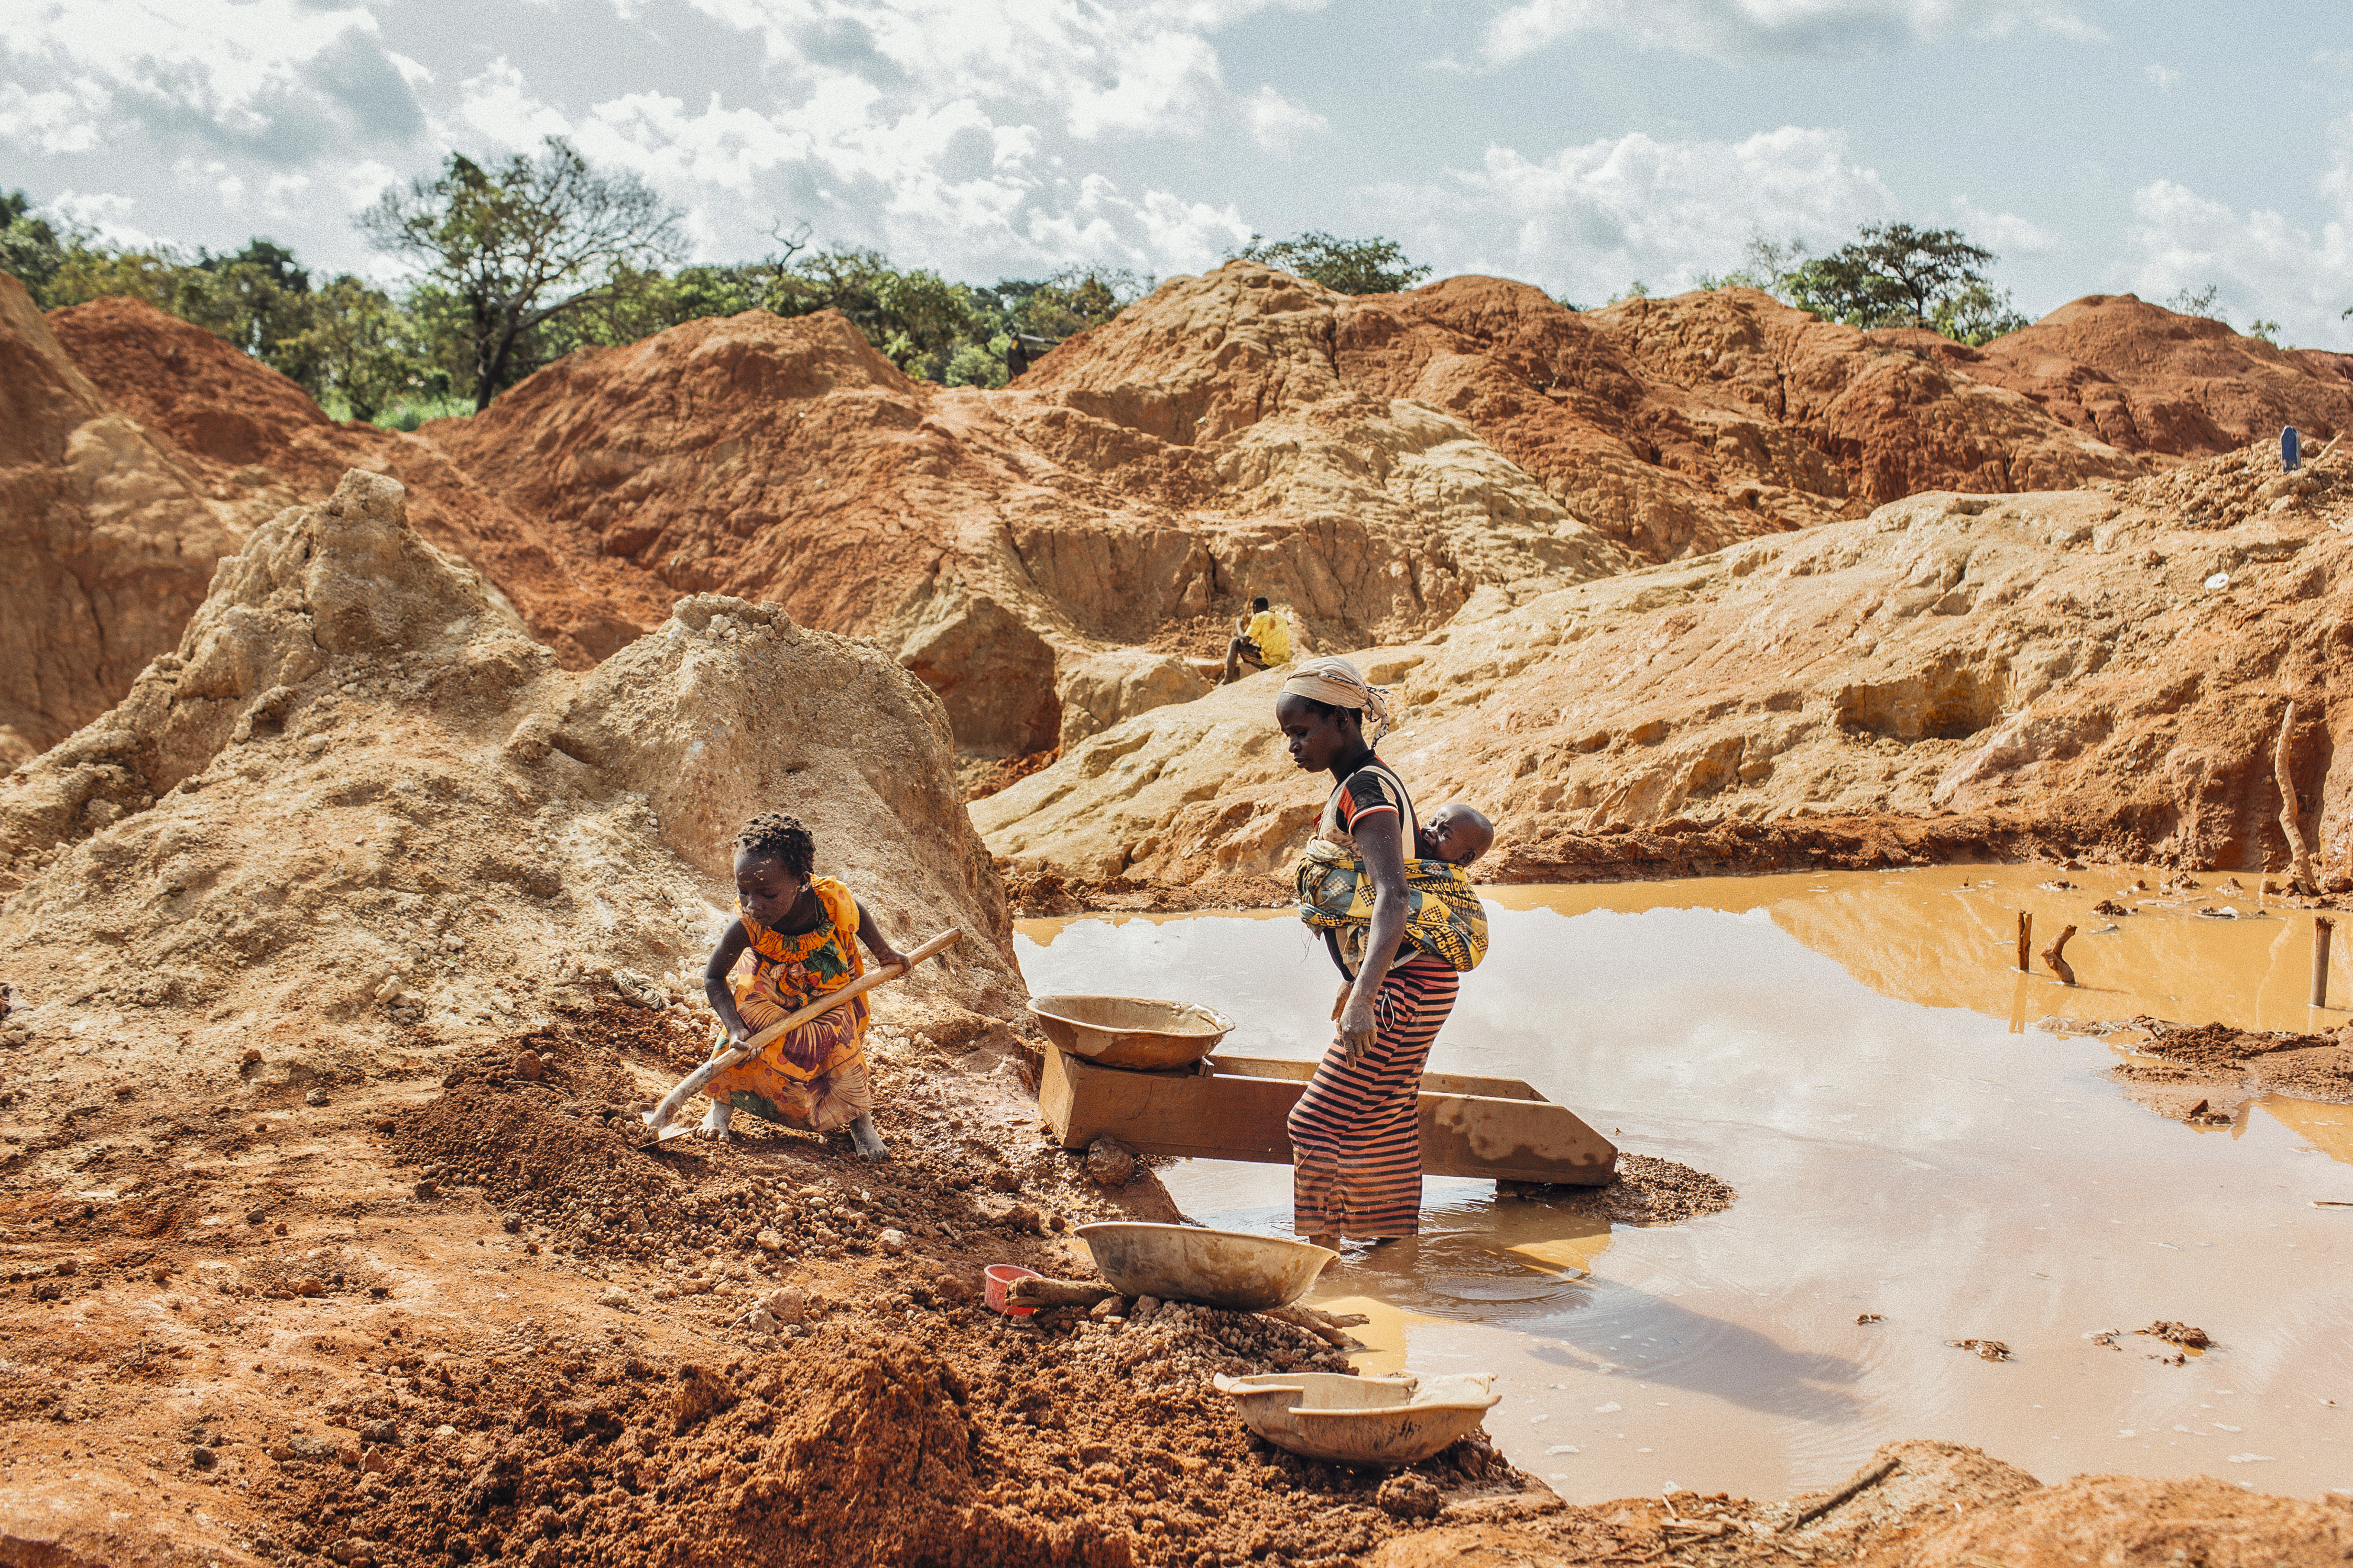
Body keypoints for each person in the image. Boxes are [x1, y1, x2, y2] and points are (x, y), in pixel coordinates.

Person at [1276, 657, 1468, 1249]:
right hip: (1417, 979)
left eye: (1303, 731)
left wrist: (1365, 997)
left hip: (1402, 987)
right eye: (1287, 735)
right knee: (1382, 1118)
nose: (1293, 746)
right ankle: (1393, 1258)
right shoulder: (1369, 780)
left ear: (1341, 719)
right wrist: (1359, 977)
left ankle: (1318, 1261)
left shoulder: (1364, 788)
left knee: (1311, 1121)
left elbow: (1393, 895)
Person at [693, 813, 907, 1161]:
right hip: (769, 985)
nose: (752, 904)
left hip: (828, 983)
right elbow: (713, 978)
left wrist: (884, 952)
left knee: (841, 1041)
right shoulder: (747, 924)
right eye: (743, 890)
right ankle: (719, 1111)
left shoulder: (827, 900)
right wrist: (735, 1026)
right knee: (746, 1027)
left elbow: (858, 912)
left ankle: (861, 1124)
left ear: (802, 881)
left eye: (768, 893)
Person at [1223, 597, 1293, 684]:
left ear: (1255, 608)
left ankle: (1227, 680)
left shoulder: (1259, 617)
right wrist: (1251, 621)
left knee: (1234, 642)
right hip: (1284, 660)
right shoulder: (1280, 616)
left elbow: (1244, 641)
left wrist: (1238, 625)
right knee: (1260, 649)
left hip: (1270, 663)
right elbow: (1265, 622)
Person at [1416, 803, 1494, 867]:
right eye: (1432, 824)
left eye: (1444, 834)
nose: (1431, 831)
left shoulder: (1445, 883)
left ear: (1466, 857)